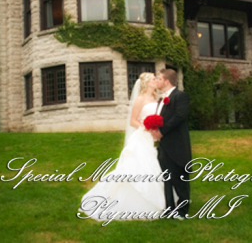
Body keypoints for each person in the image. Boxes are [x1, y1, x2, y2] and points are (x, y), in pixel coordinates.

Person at [78, 72, 167, 221]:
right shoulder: (140, 99)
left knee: (155, 165)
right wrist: (147, 128)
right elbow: (133, 120)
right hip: (142, 136)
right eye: (153, 79)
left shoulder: (158, 98)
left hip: (154, 137)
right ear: (146, 83)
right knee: (139, 165)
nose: (156, 81)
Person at [150, 68, 192, 219]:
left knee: (180, 177)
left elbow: (179, 116)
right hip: (164, 145)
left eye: (160, 79)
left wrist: (162, 131)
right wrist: (154, 130)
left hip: (177, 143)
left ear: (167, 81)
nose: (158, 81)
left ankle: (182, 210)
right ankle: (169, 208)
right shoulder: (162, 99)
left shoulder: (180, 96)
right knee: (166, 177)